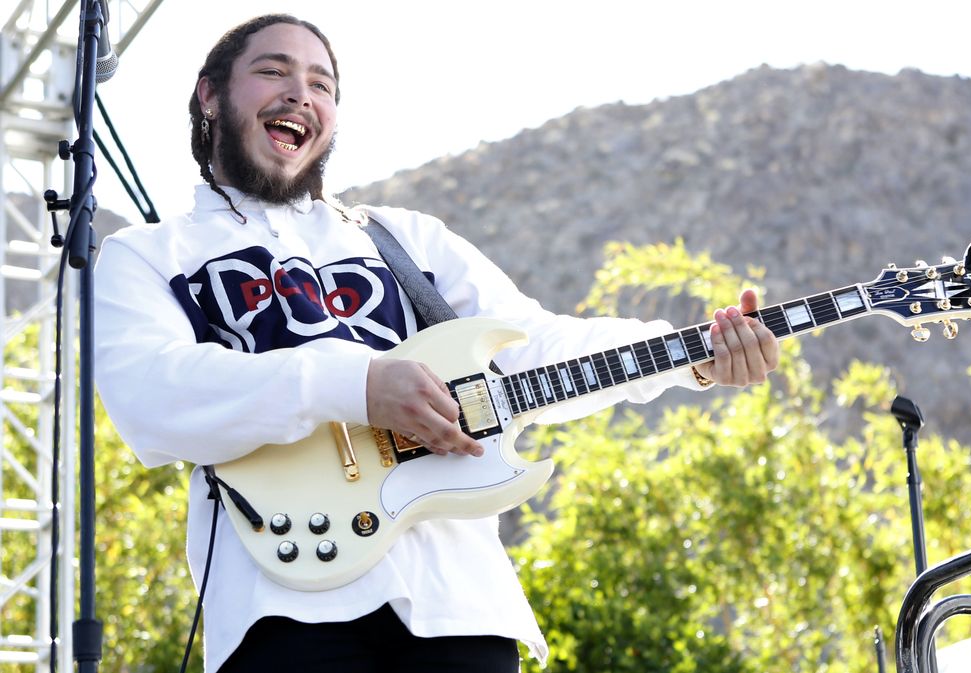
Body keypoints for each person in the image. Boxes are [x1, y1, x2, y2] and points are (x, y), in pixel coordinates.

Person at [94, 14, 779, 673]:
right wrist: (357, 386)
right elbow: (151, 394)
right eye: (273, 71)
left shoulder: (404, 238)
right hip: (283, 602)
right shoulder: (150, 254)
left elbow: (529, 347)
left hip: (460, 605)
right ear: (209, 95)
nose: (301, 92)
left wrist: (688, 353)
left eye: (323, 84)